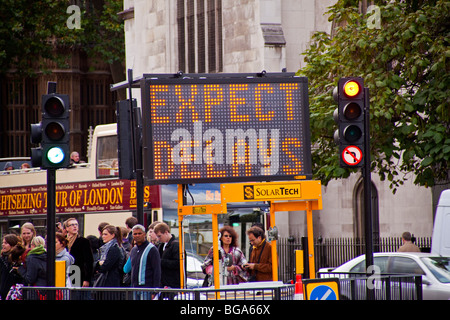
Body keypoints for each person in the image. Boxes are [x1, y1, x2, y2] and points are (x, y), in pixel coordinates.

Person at [125, 224, 161, 291]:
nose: (137, 235)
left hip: (147, 288)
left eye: (139, 233)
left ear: (144, 234)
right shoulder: (133, 250)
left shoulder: (152, 249)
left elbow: (157, 270)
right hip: (134, 287)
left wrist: (155, 289)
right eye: (135, 234)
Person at [65, 218, 94, 287]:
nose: (75, 226)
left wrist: (87, 279)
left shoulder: (83, 241)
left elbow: (89, 261)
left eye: (76, 224)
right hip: (66, 273)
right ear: (67, 228)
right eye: (72, 225)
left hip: (78, 273)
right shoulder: (64, 241)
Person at [154, 222, 180, 289]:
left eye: (159, 236)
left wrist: (160, 262)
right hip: (163, 283)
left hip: (173, 283)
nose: (158, 238)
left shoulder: (176, 245)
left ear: (166, 232)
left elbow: (178, 263)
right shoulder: (161, 245)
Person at [1, 234, 23, 299]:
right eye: (3, 243)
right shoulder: (2, 259)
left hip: (13, 293)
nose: (3, 245)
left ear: (12, 244)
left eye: (6, 243)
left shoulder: (17, 260)